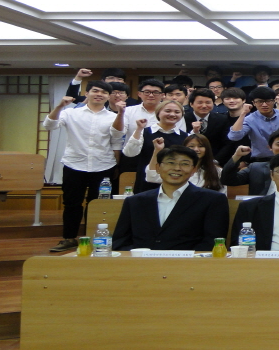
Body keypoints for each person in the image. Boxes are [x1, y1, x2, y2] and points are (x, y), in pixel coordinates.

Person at [42, 81, 125, 252]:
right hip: (74, 164)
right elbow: (49, 125)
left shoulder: (112, 116)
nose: (99, 94)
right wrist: (59, 106)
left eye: (104, 92)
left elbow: (117, 136)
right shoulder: (70, 113)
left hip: (103, 165)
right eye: (95, 91)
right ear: (86, 94)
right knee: (72, 203)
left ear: (108, 97)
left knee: (99, 204)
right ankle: (69, 238)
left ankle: (95, 238)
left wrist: (121, 114)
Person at [112, 145, 229, 251]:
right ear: (158, 168)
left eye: (185, 164)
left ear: (193, 170)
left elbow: (212, 242)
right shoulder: (134, 202)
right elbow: (120, 242)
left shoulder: (212, 200)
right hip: (140, 264)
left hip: (189, 264)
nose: (177, 168)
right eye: (170, 162)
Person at [122, 100, 189, 193]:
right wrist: (139, 129)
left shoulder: (186, 136)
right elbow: (129, 153)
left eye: (177, 112)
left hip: (175, 182)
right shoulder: (144, 131)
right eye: (168, 111)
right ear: (158, 113)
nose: (172, 114)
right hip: (146, 181)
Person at [145, 134, 226, 193]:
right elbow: (151, 176)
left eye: (201, 146)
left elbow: (223, 193)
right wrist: (157, 150)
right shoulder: (175, 168)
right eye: (191, 146)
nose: (196, 149)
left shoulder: (217, 171)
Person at [227, 86, 279, 161]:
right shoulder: (249, 119)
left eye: (268, 101)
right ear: (253, 103)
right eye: (260, 101)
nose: (264, 105)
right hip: (261, 160)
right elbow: (234, 137)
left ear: (274, 101)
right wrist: (243, 113)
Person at [183, 88, 229, 165]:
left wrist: (216, 160)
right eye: (200, 102)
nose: (204, 106)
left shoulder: (222, 119)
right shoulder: (183, 119)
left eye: (208, 102)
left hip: (215, 161)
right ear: (191, 104)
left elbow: (227, 143)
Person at [65, 67, 139, 107]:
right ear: (103, 81)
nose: (115, 81)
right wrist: (78, 77)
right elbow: (71, 98)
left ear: (124, 82)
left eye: (119, 79)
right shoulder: (94, 97)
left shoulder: (133, 103)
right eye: (111, 78)